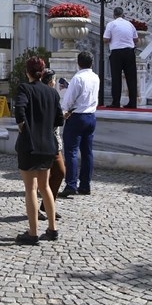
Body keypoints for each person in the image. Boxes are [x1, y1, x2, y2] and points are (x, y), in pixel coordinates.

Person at [13, 56, 63, 245]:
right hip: (48, 145)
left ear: (27, 72)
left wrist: (24, 128)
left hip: (30, 145)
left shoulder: (25, 88)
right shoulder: (52, 93)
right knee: (45, 187)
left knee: (31, 189)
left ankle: (33, 233)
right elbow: (60, 119)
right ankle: (52, 229)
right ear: (43, 72)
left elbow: (19, 110)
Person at [60, 51, 100, 197]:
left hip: (77, 116)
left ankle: (71, 184)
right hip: (91, 115)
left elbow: (69, 99)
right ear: (92, 63)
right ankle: (85, 184)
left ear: (78, 63)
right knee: (87, 151)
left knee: (71, 151)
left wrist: (65, 110)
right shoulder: (95, 77)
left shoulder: (78, 78)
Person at [40, 69, 66, 222]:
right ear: (51, 82)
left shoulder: (54, 95)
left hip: (54, 142)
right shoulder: (40, 94)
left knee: (60, 172)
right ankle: (37, 208)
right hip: (42, 141)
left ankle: (47, 205)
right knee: (38, 178)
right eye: (54, 80)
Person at [102, 6, 138, 109]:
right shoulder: (130, 24)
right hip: (129, 52)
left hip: (116, 52)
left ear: (114, 15)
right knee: (131, 78)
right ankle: (132, 102)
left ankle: (116, 102)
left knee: (116, 78)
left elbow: (106, 39)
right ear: (123, 15)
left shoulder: (111, 24)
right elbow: (136, 39)